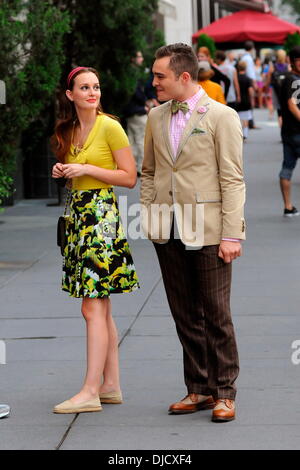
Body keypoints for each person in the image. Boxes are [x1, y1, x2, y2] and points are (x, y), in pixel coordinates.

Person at [141, 43, 246, 423]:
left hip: (210, 229)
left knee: (216, 313)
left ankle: (225, 392)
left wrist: (233, 234)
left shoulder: (222, 116)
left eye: (159, 76)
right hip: (166, 227)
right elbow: (149, 170)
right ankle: (199, 387)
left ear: (184, 76)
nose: (154, 82)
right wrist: (150, 211)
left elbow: (232, 179)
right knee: (183, 313)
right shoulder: (155, 118)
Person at [51, 66, 140, 414]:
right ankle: (111, 385)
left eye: (96, 87)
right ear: (70, 95)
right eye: (84, 87)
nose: (92, 92)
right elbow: (77, 175)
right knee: (100, 307)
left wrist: (86, 169)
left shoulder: (110, 126)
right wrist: (63, 171)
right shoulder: (70, 129)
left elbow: (129, 177)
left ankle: (90, 390)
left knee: (92, 306)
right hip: (78, 217)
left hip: (101, 217)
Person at [124, 51, 156, 176]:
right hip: (138, 111)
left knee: (131, 141)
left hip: (129, 112)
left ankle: (131, 167)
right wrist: (145, 104)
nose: (142, 59)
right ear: (133, 59)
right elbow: (136, 92)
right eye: (139, 56)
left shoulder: (128, 73)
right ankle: (141, 168)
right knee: (141, 140)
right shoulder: (133, 74)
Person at [279, 46, 300, 217]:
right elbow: (291, 104)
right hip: (295, 131)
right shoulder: (292, 79)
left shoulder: (289, 79)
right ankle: (288, 205)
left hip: (288, 131)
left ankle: (288, 206)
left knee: (287, 168)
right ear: (292, 62)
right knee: (287, 169)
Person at [241, 41, 258, 129]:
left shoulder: (243, 57)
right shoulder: (249, 58)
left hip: (242, 79)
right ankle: (250, 122)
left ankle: (249, 121)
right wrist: (254, 83)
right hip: (248, 80)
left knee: (246, 99)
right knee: (250, 100)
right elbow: (251, 72)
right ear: (252, 48)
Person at [236, 61, 255, 141]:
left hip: (237, 100)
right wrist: (252, 99)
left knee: (238, 118)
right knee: (246, 118)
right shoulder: (248, 79)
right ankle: (245, 134)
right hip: (246, 100)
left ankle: (238, 134)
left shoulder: (236, 77)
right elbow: (250, 91)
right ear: (245, 68)